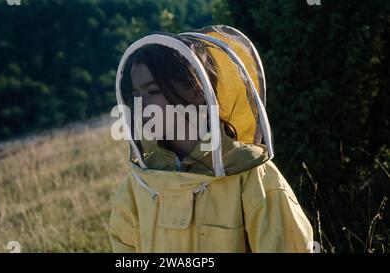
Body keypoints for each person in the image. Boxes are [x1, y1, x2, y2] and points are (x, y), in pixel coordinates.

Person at [109, 25, 313, 252]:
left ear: (197, 90)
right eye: (136, 94)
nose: (142, 105)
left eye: (153, 91)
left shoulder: (250, 175)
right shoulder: (140, 182)